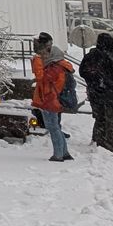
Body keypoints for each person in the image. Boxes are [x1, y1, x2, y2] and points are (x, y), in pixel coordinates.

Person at [79, 32, 113, 158]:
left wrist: (95, 84)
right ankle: (112, 146)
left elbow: (82, 72)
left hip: (95, 94)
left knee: (100, 119)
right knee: (111, 121)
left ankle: (99, 140)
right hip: (111, 95)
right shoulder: (110, 58)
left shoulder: (90, 56)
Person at [30, 32, 74, 162]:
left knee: (52, 127)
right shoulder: (59, 65)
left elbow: (41, 78)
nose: (42, 55)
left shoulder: (53, 67)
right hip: (52, 98)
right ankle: (64, 152)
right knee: (55, 127)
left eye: (44, 53)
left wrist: (37, 62)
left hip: (50, 99)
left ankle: (58, 154)